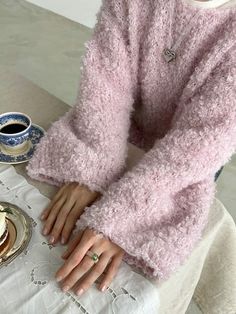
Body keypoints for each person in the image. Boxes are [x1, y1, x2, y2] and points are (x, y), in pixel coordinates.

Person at [27, 0, 236, 297]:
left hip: (187, 164)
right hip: (126, 131)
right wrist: (94, 162)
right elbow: (105, 82)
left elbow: (202, 141)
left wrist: (126, 212)